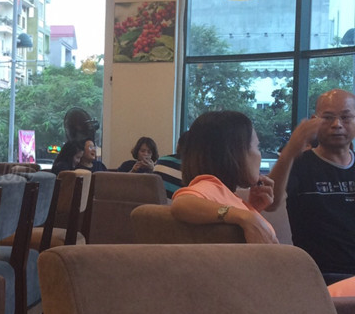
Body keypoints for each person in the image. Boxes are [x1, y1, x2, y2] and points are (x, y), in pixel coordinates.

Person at [268, 88, 355, 285]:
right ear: (314, 121)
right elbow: (269, 202)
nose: (337, 124)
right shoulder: (299, 164)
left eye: (345, 117)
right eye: (328, 118)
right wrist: (290, 150)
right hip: (317, 275)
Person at [171, 111, 278, 243]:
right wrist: (245, 216)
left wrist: (252, 208)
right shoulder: (210, 185)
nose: (259, 155)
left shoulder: (225, 194)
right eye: (257, 146)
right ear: (235, 152)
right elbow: (182, 203)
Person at [152, 133, 186, 199]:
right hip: (178, 203)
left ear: (178, 145)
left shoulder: (161, 160)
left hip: (156, 203)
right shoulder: (192, 170)